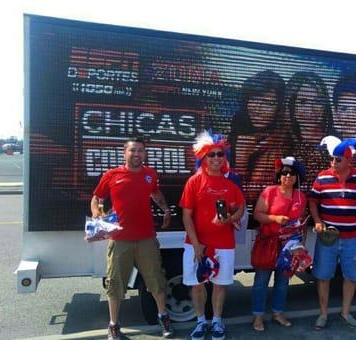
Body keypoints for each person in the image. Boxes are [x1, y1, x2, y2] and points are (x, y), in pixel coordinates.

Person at [90, 137, 174, 340]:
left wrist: (165, 209)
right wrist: (96, 216)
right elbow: (97, 198)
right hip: (119, 239)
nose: (137, 154)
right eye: (133, 150)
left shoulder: (150, 174)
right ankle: (114, 325)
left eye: (141, 151)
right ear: (124, 153)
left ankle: (163, 317)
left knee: (156, 280)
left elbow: (155, 192)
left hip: (146, 238)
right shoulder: (111, 175)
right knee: (115, 283)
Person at [179, 131, 245, 340]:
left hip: (224, 244)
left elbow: (240, 208)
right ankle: (200, 322)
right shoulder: (194, 182)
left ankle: (217, 321)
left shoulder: (230, 185)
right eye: (212, 155)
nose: (216, 158)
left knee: (220, 284)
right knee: (197, 285)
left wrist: (230, 218)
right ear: (203, 158)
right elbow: (186, 216)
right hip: (196, 244)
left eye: (220, 154)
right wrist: (197, 244)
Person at [309, 136, 356, 330]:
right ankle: (323, 314)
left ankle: (346, 313)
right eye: (332, 159)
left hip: (353, 239)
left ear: (349, 160)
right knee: (323, 276)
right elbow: (313, 201)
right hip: (328, 238)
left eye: (338, 159)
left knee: (352, 276)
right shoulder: (322, 177)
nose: (333, 162)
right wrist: (318, 221)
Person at [251, 157, 307, 331]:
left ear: (297, 177)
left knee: (283, 282)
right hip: (269, 244)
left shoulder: (301, 196)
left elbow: (301, 222)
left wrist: (301, 246)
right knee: (261, 282)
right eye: (284, 173)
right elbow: (257, 214)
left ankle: (277, 313)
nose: (288, 176)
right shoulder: (270, 192)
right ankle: (258, 317)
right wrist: (275, 218)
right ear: (279, 175)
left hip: (289, 246)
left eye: (292, 174)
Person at [228, 70, 290, 203]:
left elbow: (250, 196)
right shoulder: (236, 133)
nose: (258, 108)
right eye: (254, 99)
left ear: (279, 108)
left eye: (268, 103)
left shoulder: (281, 142)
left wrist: (242, 160)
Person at [286, 71, 335, 190]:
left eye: (317, 101)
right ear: (291, 106)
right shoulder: (284, 145)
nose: (311, 109)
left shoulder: (335, 146)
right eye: (303, 102)